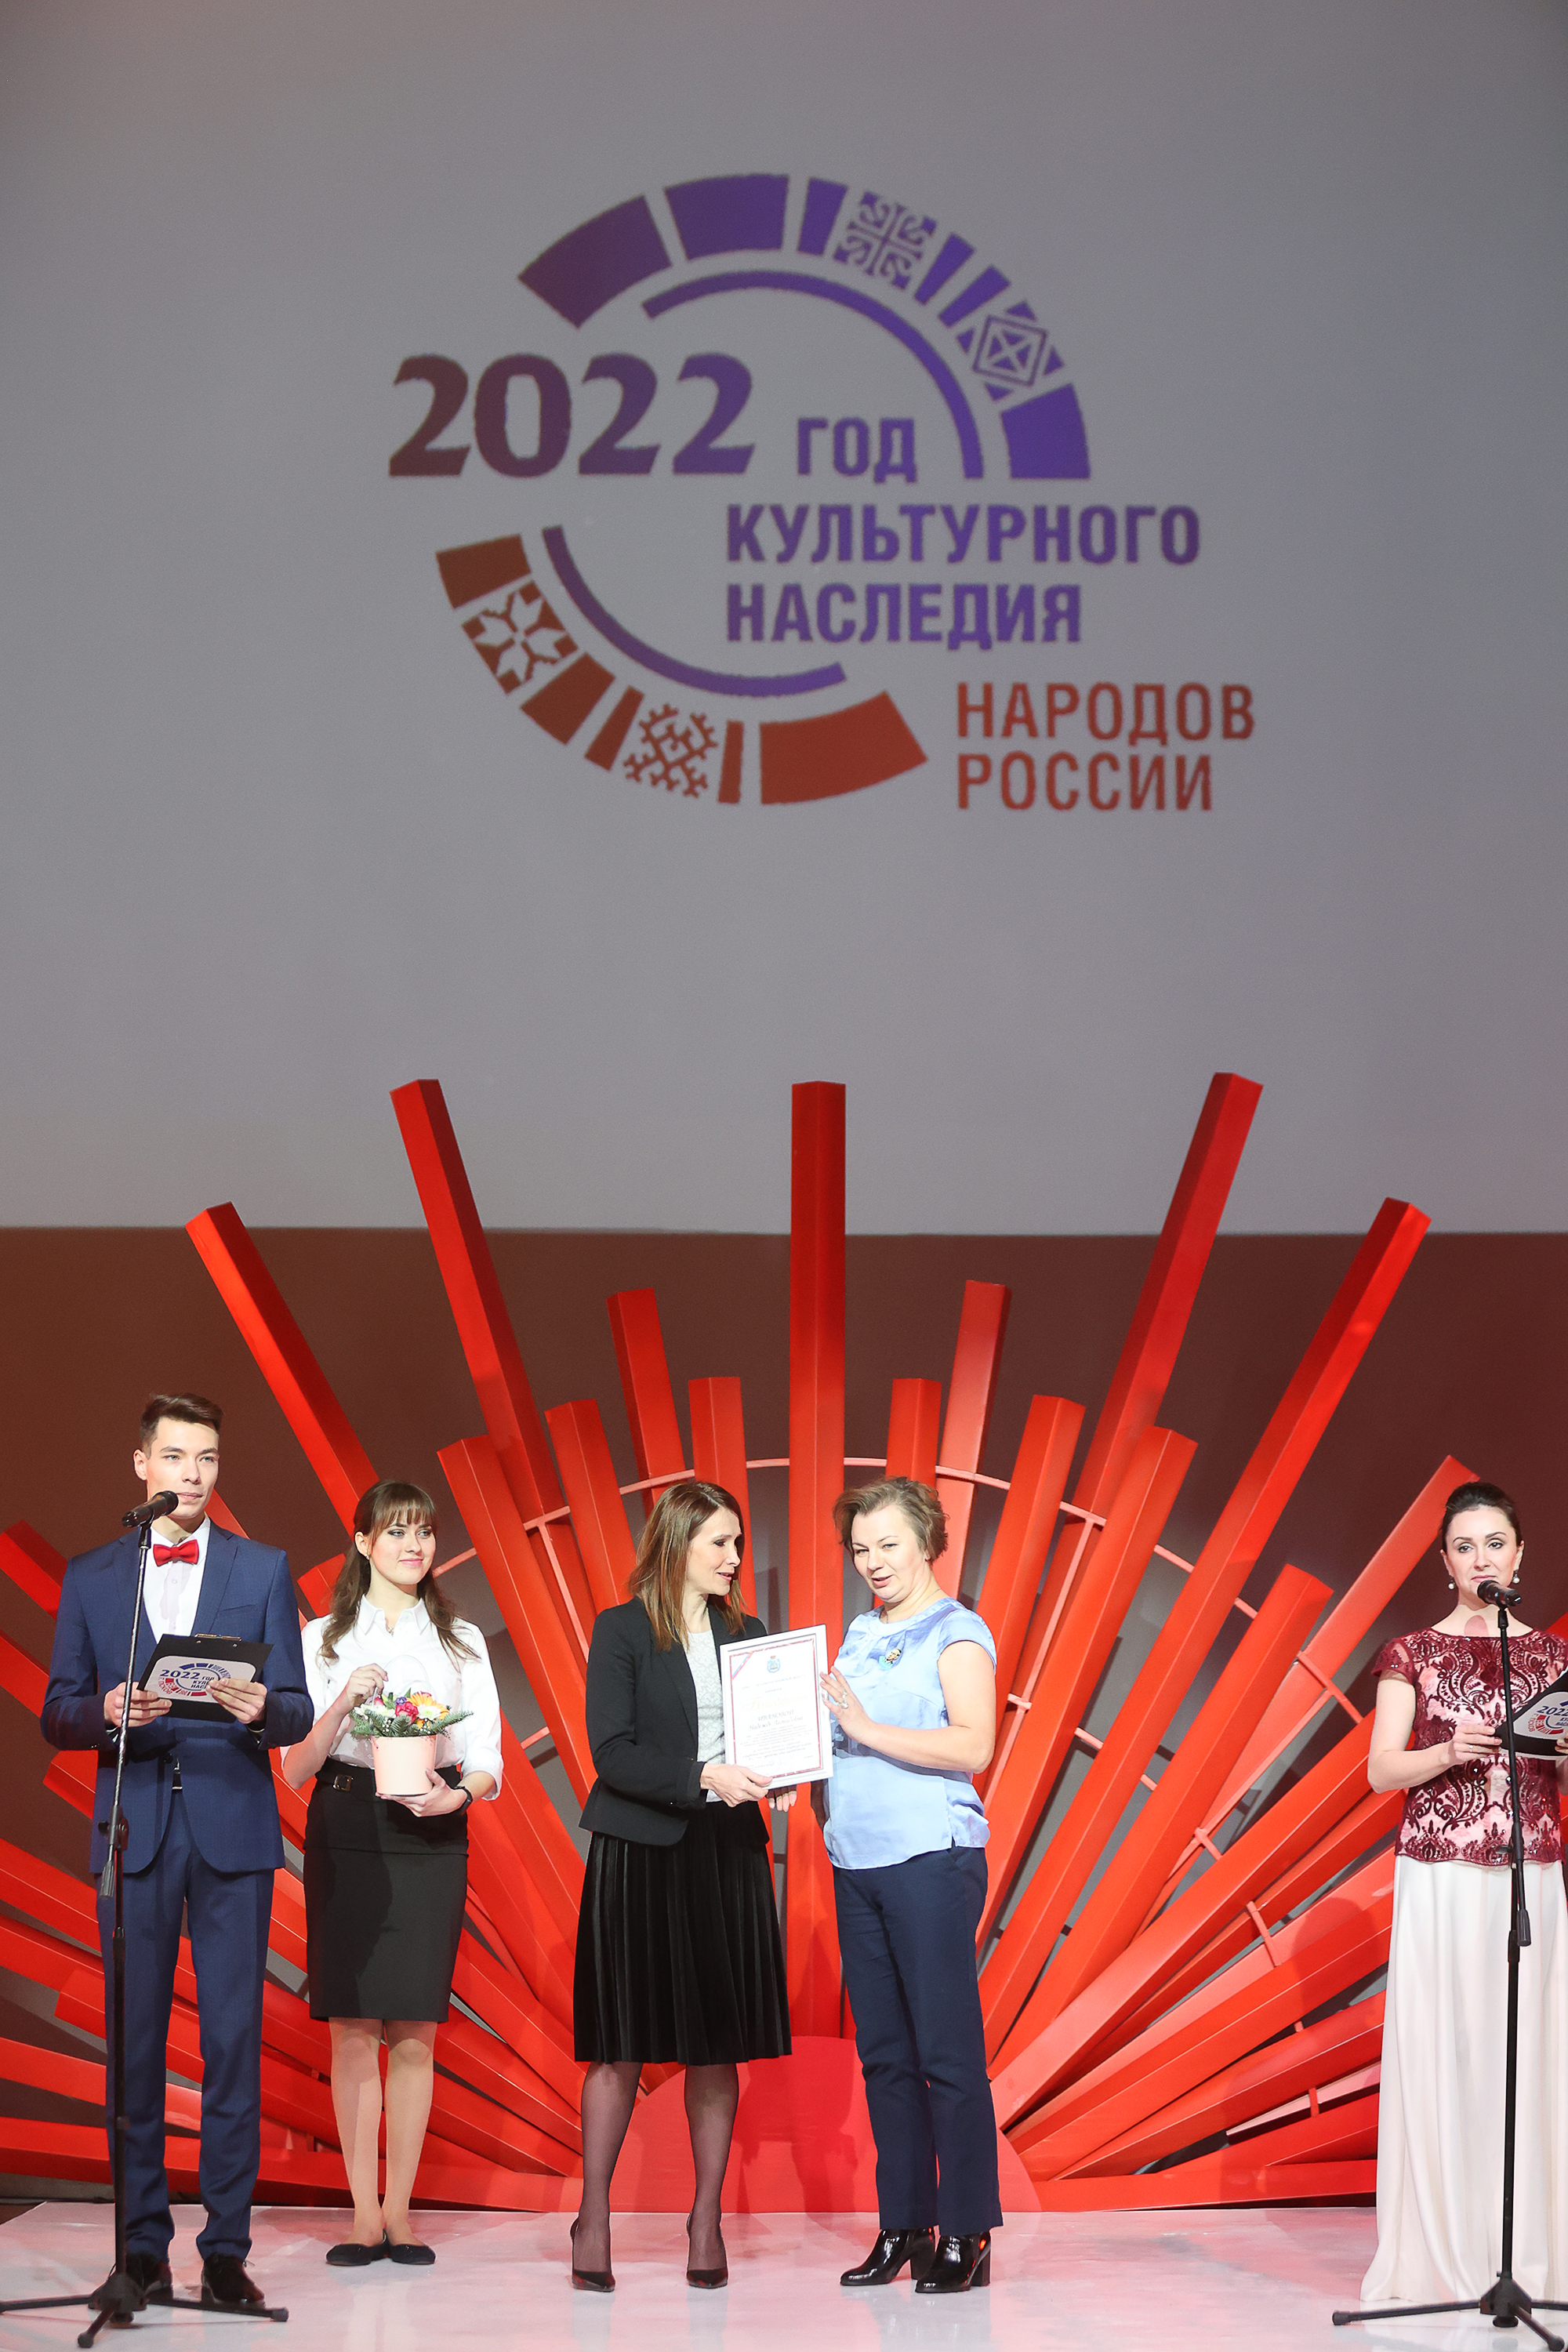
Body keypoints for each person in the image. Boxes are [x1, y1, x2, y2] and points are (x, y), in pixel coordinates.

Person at [41, 1393, 312, 2312]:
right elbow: (57, 1710)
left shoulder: (261, 1566)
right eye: (176, 1457)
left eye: (207, 1458)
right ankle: (142, 2249)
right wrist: (104, 1710)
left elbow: (297, 1708)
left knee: (232, 2045)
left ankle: (226, 2251)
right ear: (142, 1465)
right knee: (135, 2050)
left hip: (233, 1829)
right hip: (137, 1828)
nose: (192, 1475)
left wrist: (264, 1709)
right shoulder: (93, 1575)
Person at [570, 1479, 793, 2293]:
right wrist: (705, 1775)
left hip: (726, 1853)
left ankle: (705, 2219)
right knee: (619, 2043)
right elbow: (612, 1753)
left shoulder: (751, 1635)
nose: (735, 1558)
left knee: (714, 2043)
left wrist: (782, 1771)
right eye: (720, 1543)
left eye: (737, 1543)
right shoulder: (622, 1629)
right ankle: (593, 2215)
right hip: (639, 1853)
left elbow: (769, 1736)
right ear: (676, 1543)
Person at [282, 1479, 501, 2268]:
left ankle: (401, 2215)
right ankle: (362, 2216)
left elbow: (487, 1759)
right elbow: (293, 1767)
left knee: (413, 2028)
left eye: (425, 1532)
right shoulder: (320, 1638)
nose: (415, 1546)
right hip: (345, 1824)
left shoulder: (461, 1640)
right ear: (363, 1542)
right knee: (352, 2027)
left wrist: (455, 1797)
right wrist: (343, 1702)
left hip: (431, 1829)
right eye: (398, 1531)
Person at [1361, 1479, 1568, 2304]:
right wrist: (1449, 1752)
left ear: (1519, 1555)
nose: (1480, 1558)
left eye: (1494, 1543)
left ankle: (1523, 2252)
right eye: (1463, 1546)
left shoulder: (1552, 1658)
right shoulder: (1409, 1651)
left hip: (1531, 1874)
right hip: (1441, 1876)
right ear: (1444, 1561)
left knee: (1526, 2052)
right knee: (1448, 2046)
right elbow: (1381, 1770)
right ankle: (1443, 2251)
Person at [818, 1476, 1001, 2295]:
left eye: (888, 1544)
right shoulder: (860, 1631)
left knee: (945, 2051)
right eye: (860, 1549)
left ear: (926, 1542)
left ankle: (967, 2229)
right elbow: (836, 1736)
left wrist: (863, 1727)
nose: (873, 1562)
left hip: (929, 1857)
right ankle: (904, 2225)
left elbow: (973, 1745)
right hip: (855, 1861)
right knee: (885, 2057)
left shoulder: (956, 1632)